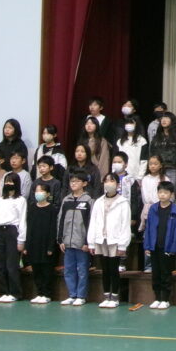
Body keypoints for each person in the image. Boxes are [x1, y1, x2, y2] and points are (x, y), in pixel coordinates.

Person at [88, 172, 132, 309]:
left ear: (118, 184)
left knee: (114, 269)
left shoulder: (123, 202)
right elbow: (93, 222)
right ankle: (106, 295)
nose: (108, 183)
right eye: (106, 181)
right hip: (101, 240)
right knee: (105, 269)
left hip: (115, 240)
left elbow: (125, 224)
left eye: (111, 181)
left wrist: (122, 244)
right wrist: (91, 242)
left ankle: (115, 296)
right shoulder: (99, 201)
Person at [143, 180, 176, 310]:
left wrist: (173, 248)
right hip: (155, 246)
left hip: (168, 247)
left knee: (166, 273)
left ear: (171, 194)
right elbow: (148, 229)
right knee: (156, 273)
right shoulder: (153, 208)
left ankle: (165, 299)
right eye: (160, 192)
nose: (162, 195)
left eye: (165, 192)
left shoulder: (175, 210)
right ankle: (157, 298)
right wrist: (147, 246)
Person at [57, 171, 94, 307]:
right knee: (69, 270)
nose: (73, 184)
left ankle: (81, 296)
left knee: (82, 270)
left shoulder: (88, 201)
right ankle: (72, 294)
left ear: (84, 183)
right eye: (72, 181)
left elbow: (91, 222)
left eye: (77, 181)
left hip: (82, 243)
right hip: (67, 242)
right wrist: (60, 240)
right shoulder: (66, 200)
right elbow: (60, 220)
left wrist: (87, 242)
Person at [0, 174, 28, 302]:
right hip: (1, 230)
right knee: (0, 264)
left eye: (11, 182)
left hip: (13, 231)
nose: (8, 184)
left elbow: (22, 220)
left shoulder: (21, 200)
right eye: (7, 181)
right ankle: (4, 292)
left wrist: (21, 239)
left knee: (12, 264)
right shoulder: (0, 200)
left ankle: (15, 293)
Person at [25, 181, 59, 304]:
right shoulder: (32, 208)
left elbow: (53, 229)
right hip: (34, 244)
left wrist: (51, 246)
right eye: (37, 191)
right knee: (36, 270)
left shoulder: (52, 209)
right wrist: (27, 245)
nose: (38, 193)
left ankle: (47, 294)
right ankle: (39, 293)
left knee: (46, 270)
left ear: (48, 194)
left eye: (41, 191)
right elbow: (29, 227)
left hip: (46, 244)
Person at [150, 111, 176, 184]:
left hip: (171, 170)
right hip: (158, 170)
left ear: (172, 121)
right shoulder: (156, 137)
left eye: (166, 118)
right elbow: (151, 154)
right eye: (162, 118)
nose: (164, 120)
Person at [78, 115, 111, 180]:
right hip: (82, 172)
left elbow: (104, 160)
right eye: (87, 124)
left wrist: (101, 178)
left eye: (92, 123)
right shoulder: (81, 140)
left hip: (94, 172)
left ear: (97, 126)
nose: (89, 125)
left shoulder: (102, 141)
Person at [116, 114, 149, 181]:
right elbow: (115, 159)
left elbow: (144, 161)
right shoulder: (119, 141)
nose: (129, 125)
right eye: (127, 123)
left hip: (136, 175)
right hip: (121, 175)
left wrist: (140, 177)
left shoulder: (142, 141)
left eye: (131, 123)